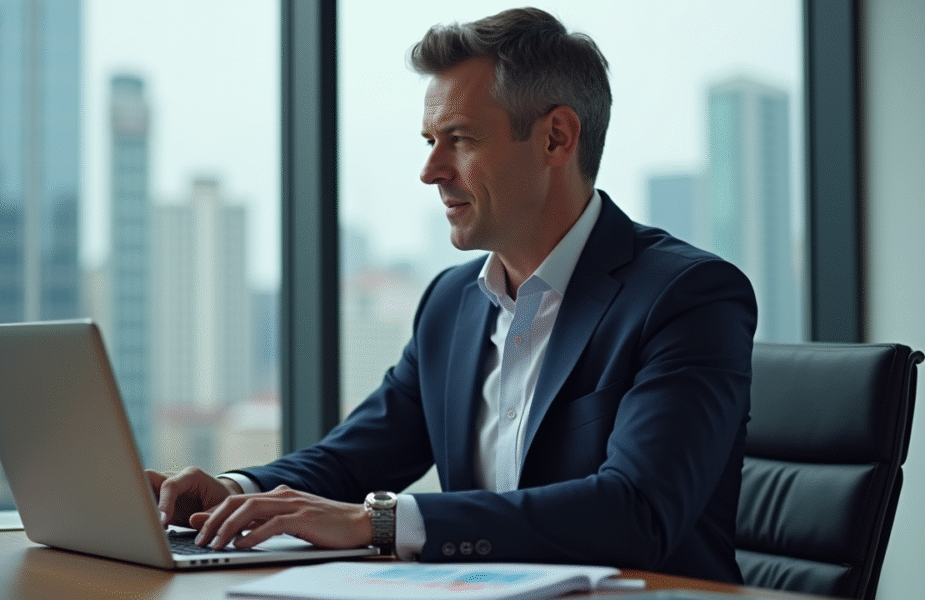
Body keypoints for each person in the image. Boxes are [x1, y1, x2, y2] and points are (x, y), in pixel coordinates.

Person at [149, 7, 757, 583]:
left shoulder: (686, 297)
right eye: (429, 140)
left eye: (459, 139)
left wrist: (380, 522)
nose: (431, 170)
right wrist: (236, 491)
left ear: (555, 139)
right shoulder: (452, 301)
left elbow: (636, 512)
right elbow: (353, 458)